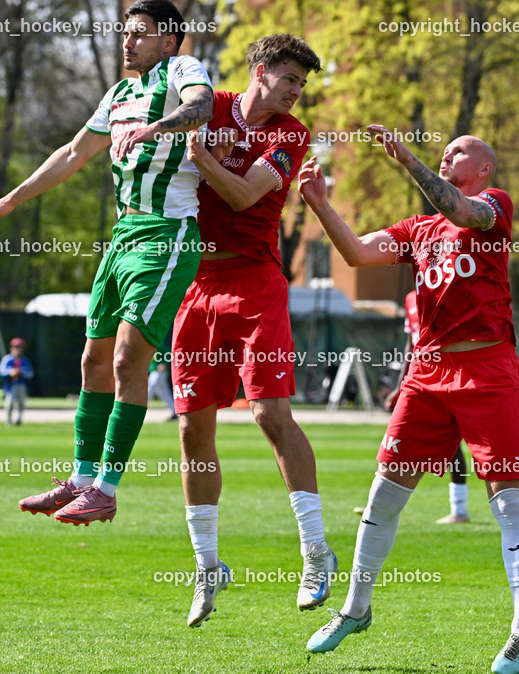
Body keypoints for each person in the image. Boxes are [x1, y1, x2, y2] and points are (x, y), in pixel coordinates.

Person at [298, 127, 519, 674]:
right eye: (444, 150)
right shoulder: (418, 229)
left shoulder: (493, 205)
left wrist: (408, 161)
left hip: (488, 368)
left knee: (509, 502)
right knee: (383, 495)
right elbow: (357, 253)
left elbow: (461, 211)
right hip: (428, 372)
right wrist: (320, 206)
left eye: (460, 150)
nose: (448, 153)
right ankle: (355, 609)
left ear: (485, 168)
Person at [0, 0, 213, 525]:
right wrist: (11, 200)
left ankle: (106, 488)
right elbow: (73, 153)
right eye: (126, 32)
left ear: (169, 40)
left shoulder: (182, 69)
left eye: (141, 32)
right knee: (93, 361)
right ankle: (81, 480)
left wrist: (156, 128)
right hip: (123, 236)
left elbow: (201, 107)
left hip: (167, 234)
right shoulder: (120, 93)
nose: (128, 41)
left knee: (128, 358)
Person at [172, 34, 335, 626]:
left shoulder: (290, 134)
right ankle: (206, 565)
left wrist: (203, 158)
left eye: (302, 84)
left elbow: (243, 197)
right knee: (191, 428)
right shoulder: (208, 105)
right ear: (260, 71)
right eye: (290, 78)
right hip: (196, 283)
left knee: (269, 413)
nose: (296, 92)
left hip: (255, 282)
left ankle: (315, 550)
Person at [384, 290, 470, 524]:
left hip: (448, 376)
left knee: (455, 445)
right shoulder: (410, 298)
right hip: (418, 380)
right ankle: (382, 504)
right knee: (396, 442)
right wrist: (400, 385)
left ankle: (460, 509)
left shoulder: (447, 290)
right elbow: (410, 346)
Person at [0, 338, 34, 426]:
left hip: (21, 385)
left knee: (21, 404)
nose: (17, 350)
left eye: (19, 348)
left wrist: (21, 372)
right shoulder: (7, 359)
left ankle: (19, 420)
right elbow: (1, 371)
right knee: (9, 403)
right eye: (15, 347)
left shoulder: (24, 360)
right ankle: (8, 421)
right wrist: (10, 372)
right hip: (11, 385)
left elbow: (30, 373)